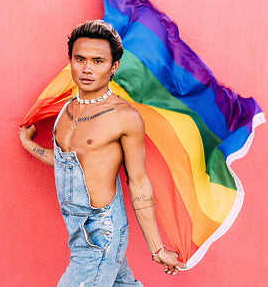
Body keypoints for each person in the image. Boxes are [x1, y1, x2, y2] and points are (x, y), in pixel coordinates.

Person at [19, 20, 184, 286]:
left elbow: (139, 181)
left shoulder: (125, 117)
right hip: (77, 231)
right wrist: (31, 146)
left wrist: (156, 248)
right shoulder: (65, 110)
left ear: (113, 66)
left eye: (98, 61)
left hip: (100, 234)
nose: (87, 69)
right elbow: (68, 165)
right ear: (70, 61)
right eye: (80, 59)